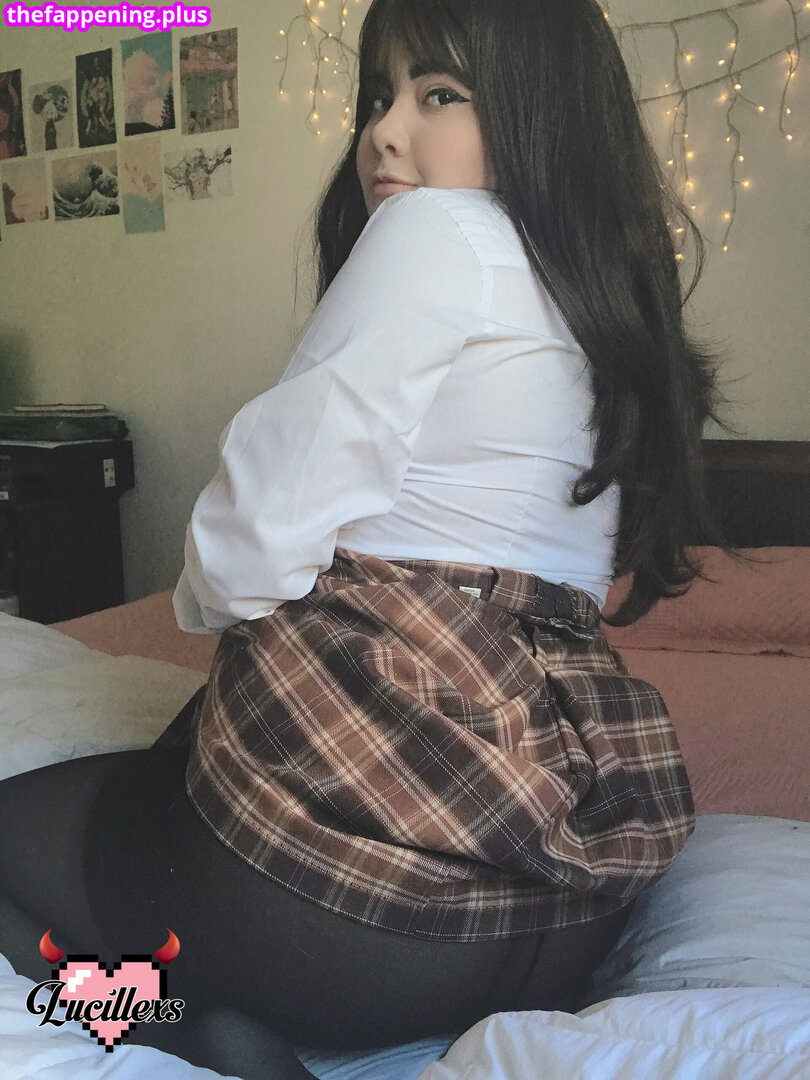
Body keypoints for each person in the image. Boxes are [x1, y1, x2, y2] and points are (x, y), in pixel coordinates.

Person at [0, 1, 722, 1076]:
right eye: (379, 96)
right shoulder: (599, 295)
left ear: (539, 113)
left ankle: (180, 1028)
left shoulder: (435, 232)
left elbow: (242, 551)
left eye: (439, 95)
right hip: (565, 911)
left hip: (352, 928)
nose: (384, 131)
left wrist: (217, 596)